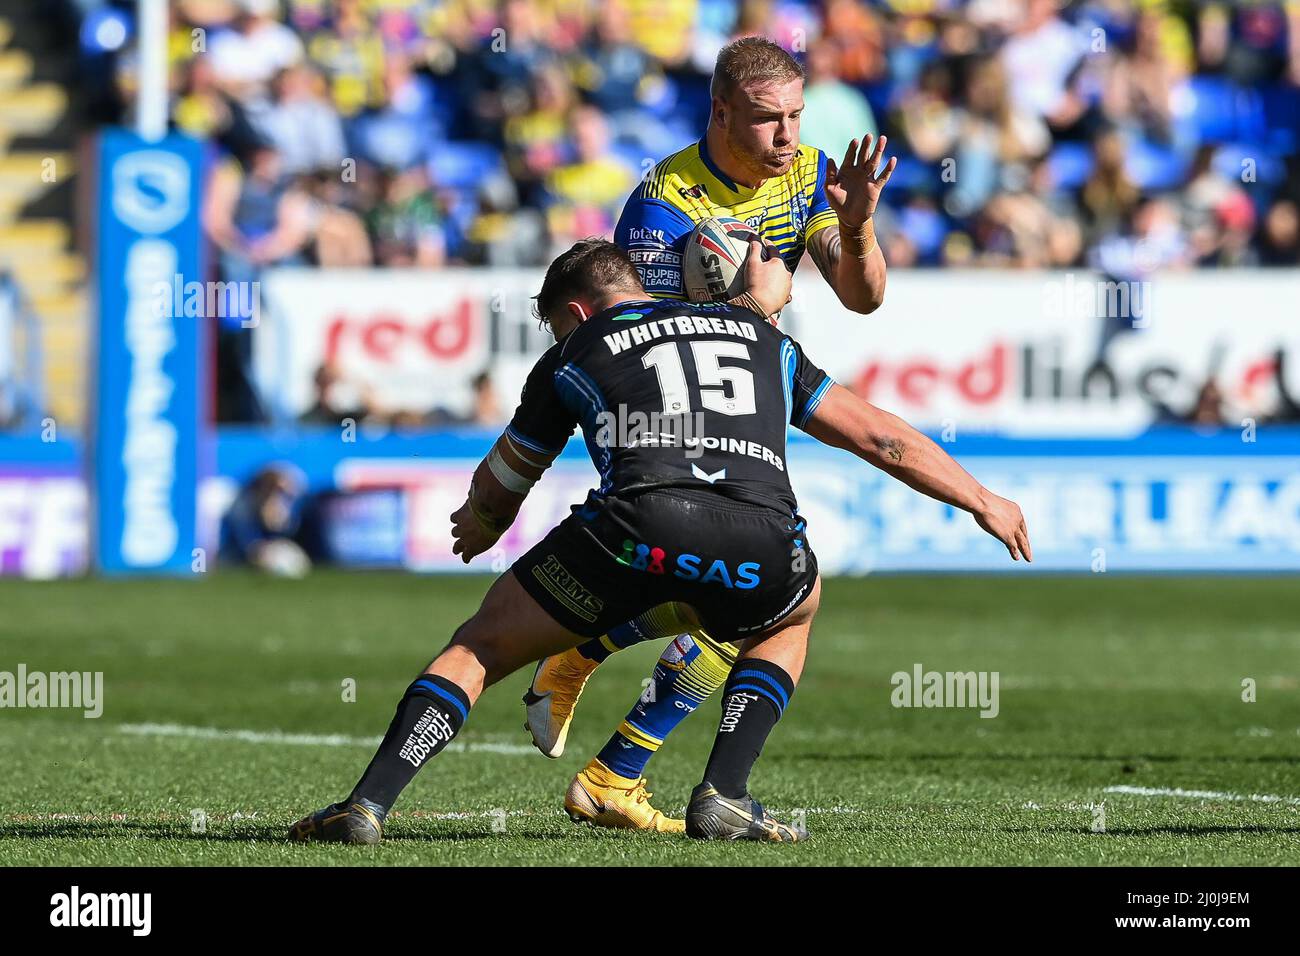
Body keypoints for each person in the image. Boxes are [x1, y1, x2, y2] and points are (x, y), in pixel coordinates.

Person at [287, 239, 1031, 844]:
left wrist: (480, 521)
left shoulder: (575, 352)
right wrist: (980, 498)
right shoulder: (761, 338)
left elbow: (502, 484)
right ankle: (726, 793)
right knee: (792, 614)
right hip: (763, 537)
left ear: (575, 312)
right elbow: (880, 438)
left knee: (478, 648)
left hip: (631, 531)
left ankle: (368, 805)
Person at [526, 35, 897, 830]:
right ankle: (613, 745)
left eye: (797, 115)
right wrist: (755, 308)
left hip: (748, 393)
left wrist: (857, 224)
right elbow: (661, 343)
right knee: (755, 593)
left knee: (745, 593)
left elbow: (863, 297)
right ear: (721, 111)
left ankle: (600, 712)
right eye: (769, 120)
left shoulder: (807, 172)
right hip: (675, 418)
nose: (789, 137)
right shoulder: (663, 207)